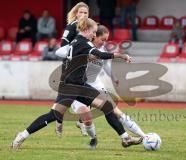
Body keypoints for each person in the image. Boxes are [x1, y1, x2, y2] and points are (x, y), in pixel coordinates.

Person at [11, 17, 141, 150]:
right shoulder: (84, 43)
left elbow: (85, 56)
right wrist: (121, 55)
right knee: (53, 115)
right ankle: (22, 135)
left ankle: (125, 138)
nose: (94, 34)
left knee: (107, 106)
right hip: (71, 87)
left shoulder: (75, 42)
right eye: (93, 32)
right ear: (86, 30)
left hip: (79, 85)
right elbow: (99, 54)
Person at [58, 2, 143, 146]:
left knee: (114, 110)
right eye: (102, 39)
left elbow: (106, 63)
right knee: (87, 117)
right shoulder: (83, 46)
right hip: (79, 86)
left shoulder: (100, 49)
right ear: (92, 36)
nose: (103, 43)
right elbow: (63, 51)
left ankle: (139, 136)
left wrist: (114, 78)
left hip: (95, 85)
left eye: (105, 40)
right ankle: (92, 138)